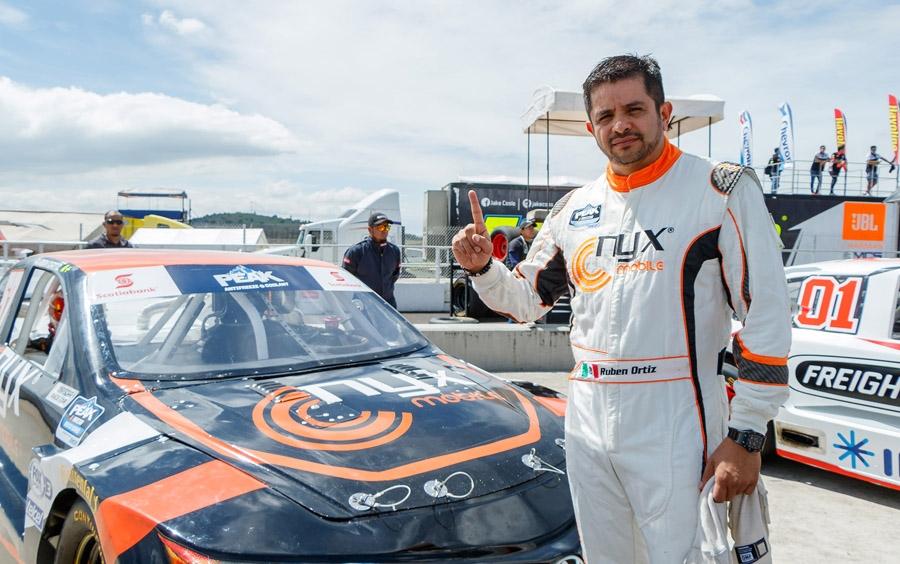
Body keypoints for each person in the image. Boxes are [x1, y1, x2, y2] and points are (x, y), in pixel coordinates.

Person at [452, 55, 791, 563]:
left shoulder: (719, 190)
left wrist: (746, 435)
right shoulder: (574, 209)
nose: (620, 125)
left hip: (678, 416)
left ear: (664, 113)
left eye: (634, 109)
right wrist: (484, 269)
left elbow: (766, 315)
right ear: (592, 128)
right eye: (606, 116)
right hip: (587, 415)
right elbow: (525, 301)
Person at [342, 212, 401, 307]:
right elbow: (347, 277)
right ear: (370, 230)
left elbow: (394, 276)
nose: (384, 230)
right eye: (380, 227)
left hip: (388, 303)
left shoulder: (395, 251)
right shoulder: (356, 251)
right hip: (364, 304)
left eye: (386, 227)